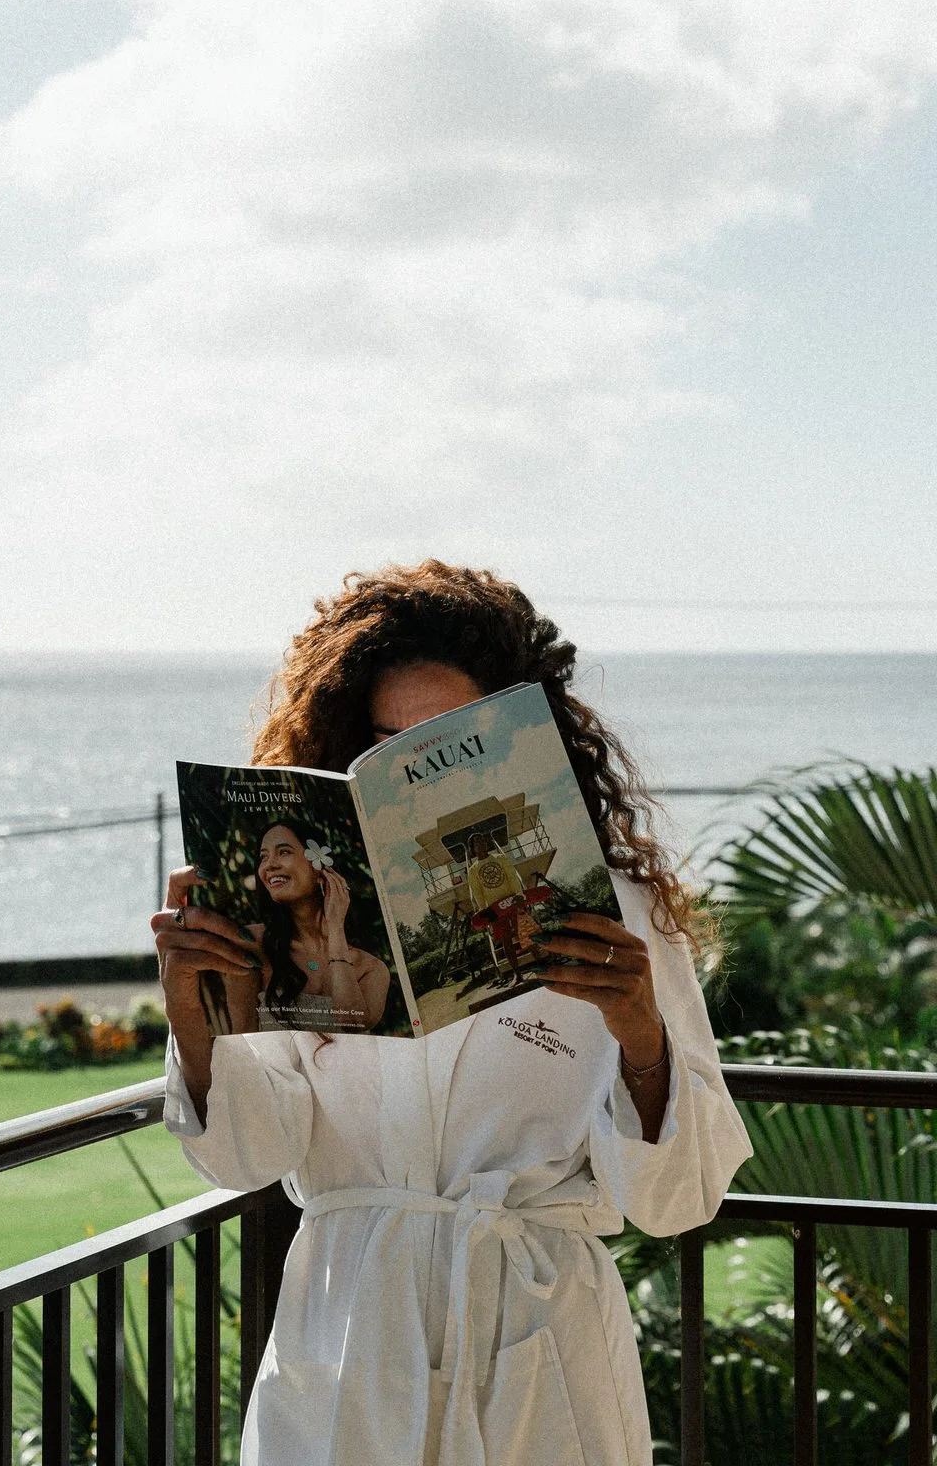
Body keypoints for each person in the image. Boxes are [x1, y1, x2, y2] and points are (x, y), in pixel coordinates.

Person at [155, 561, 751, 1466]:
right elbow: (250, 1156)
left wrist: (639, 1034)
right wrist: (198, 1023)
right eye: (384, 742)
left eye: (446, 740)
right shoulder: (290, 929)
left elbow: (679, 1201)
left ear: (520, 738)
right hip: (349, 1334)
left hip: (538, 1341)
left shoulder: (614, 915)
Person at [240, 822, 393, 1034]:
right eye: (263, 857)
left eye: (283, 852)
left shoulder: (372, 969)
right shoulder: (252, 944)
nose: (268, 865)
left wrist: (335, 928)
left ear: (320, 868)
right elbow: (240, 1039)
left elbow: (351, 1024)